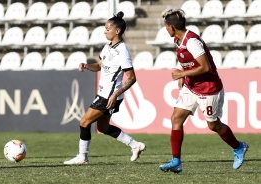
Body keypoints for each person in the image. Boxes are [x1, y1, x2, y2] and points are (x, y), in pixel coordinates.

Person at [158, 9, 248, 173]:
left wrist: (181, 73)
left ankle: (239, 147)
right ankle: (176, 161)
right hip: (192, 86)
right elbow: (190, 62)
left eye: (166, 26)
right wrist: (183, 75)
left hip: (208, 89)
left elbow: (205, 67)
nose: (166, 29)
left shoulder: (192, 41)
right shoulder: (178, 40)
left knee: (213, 125)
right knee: (176, 118)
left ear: (171, 27)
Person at [64, 11, 146, 165]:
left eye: (108, 29)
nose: (105, 31)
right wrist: (87, 66)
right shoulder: (108, 47)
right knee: (102, 127)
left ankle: (82, 157)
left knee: (84, 122)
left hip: (108, 96)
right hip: (105, 94)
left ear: (117, 31)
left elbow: (132, 78)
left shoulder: (123, 51)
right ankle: (135, 145)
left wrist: (115, 94)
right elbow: (100, 65)